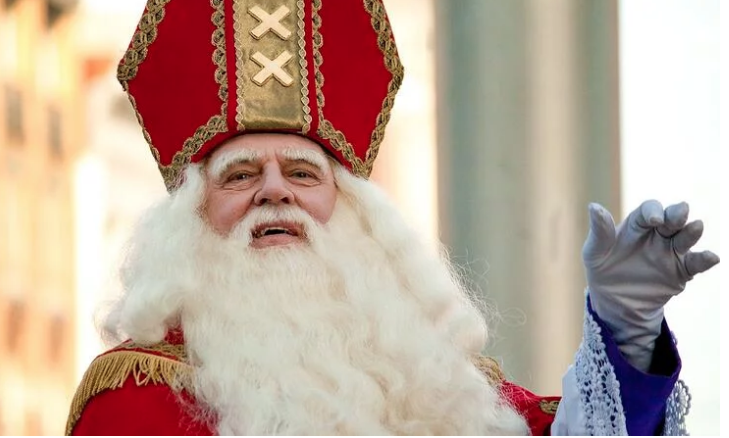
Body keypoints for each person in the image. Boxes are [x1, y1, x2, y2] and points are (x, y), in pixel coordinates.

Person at [65, 0, 719, 435]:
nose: (273, 192)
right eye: (239, 175)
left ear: (355, 216)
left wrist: (625, 332)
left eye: (301, 174)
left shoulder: (430, 383)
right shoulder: (141, 400)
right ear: (189, 221)